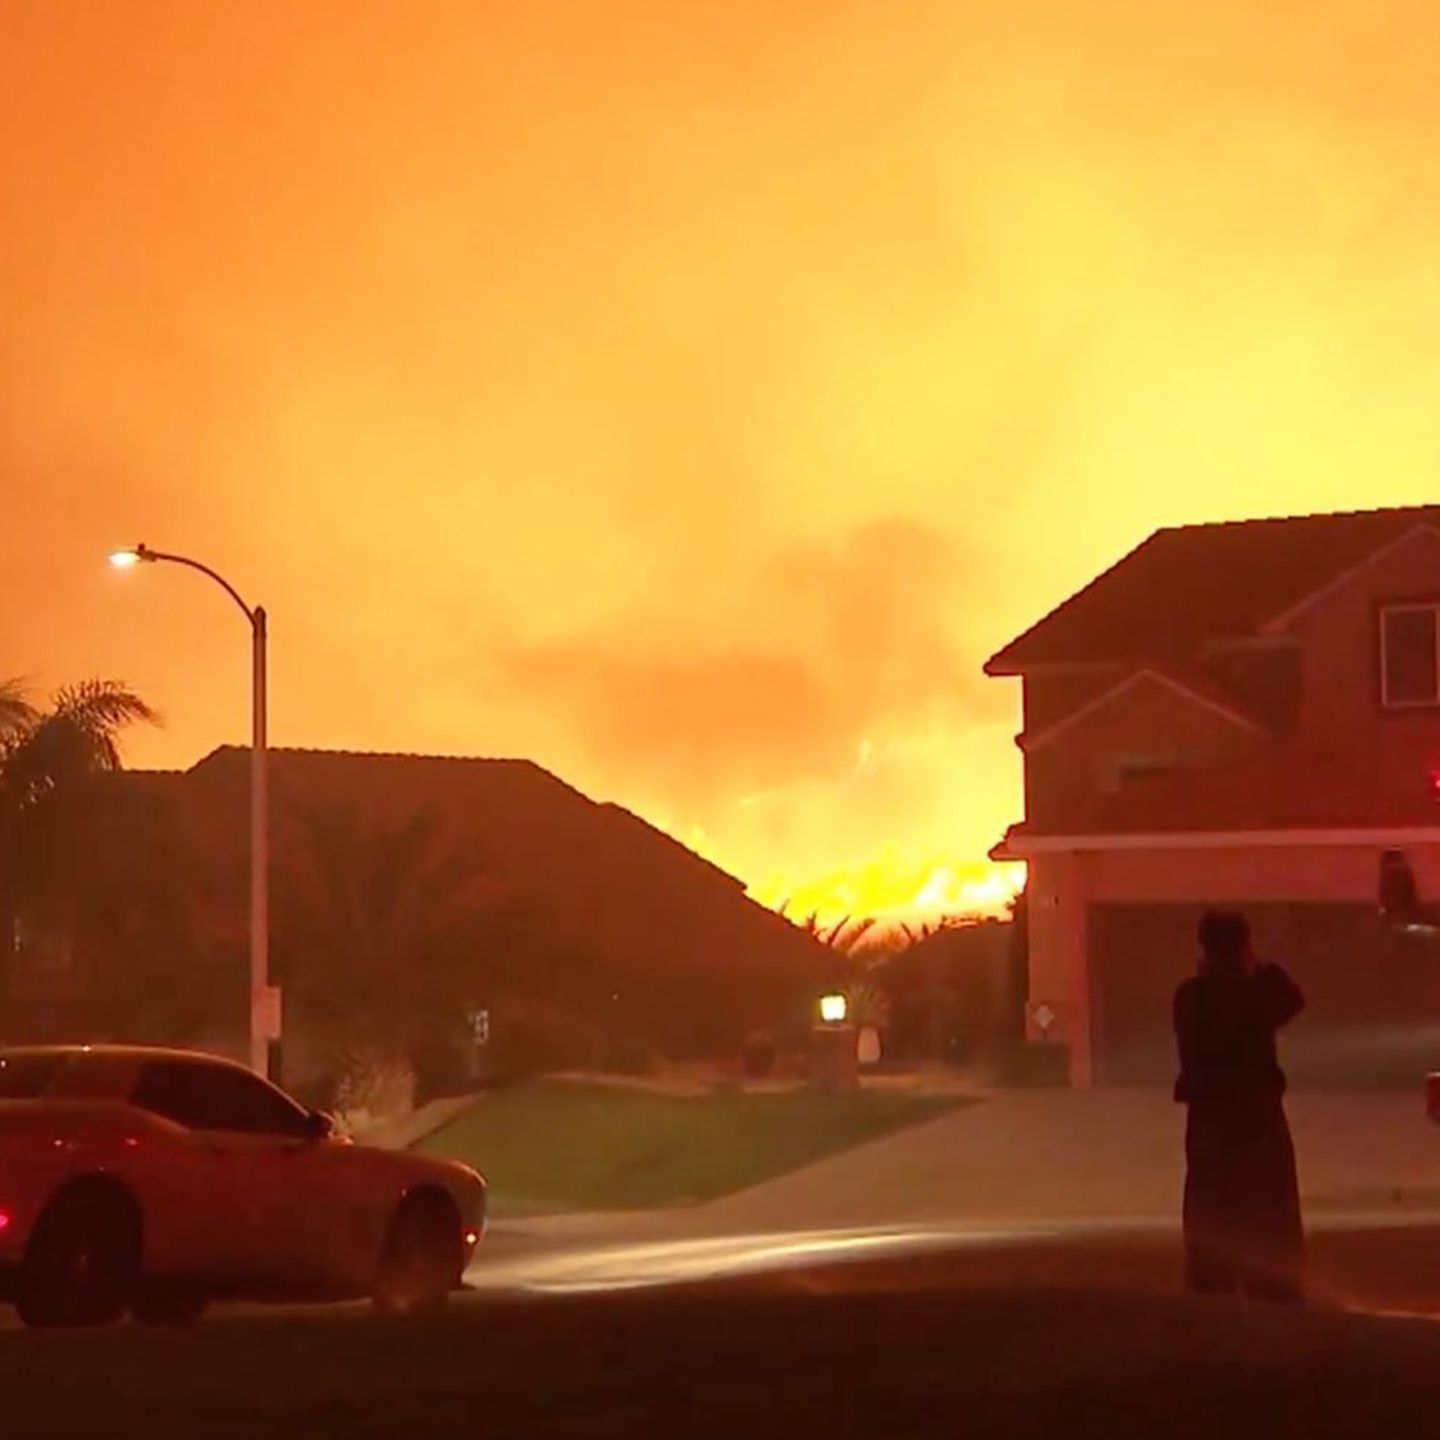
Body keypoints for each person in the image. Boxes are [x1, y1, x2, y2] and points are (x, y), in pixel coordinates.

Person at [1173, 910, 1306, 1301]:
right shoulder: (1256, 992)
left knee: (1211, 1202)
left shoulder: (1190, 995)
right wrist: (1256, 966)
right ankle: (1273, 1284)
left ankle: (1212, 1282)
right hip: (1256, 1114)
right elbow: (1292, 998)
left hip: (1210, 1117)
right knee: (1269, 1202)